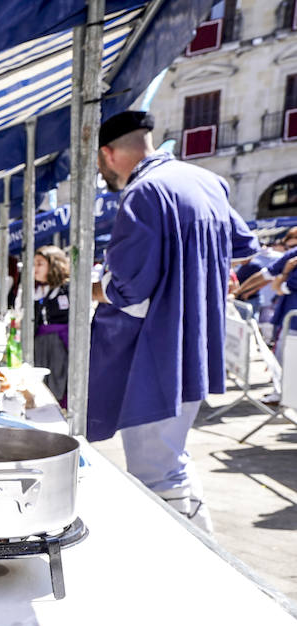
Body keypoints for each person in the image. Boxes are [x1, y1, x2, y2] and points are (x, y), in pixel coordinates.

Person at [89, 110, 257, 534]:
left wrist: (96, 288)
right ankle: (208, 553)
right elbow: (244, 247)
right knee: (171, 460)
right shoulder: (208, 181)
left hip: (155, 350)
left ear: (108, 154)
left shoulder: (144, 192)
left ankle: (195, 561)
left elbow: (129, 286)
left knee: (156, 472)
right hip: (194, 344)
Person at [31, 245, 72, 405]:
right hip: (41, 344)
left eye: (40, 264)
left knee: (60, 383)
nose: (35, 269)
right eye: (34, 264)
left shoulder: (67, 289)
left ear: (54, 265)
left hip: (61, 344)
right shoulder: (37, 290)